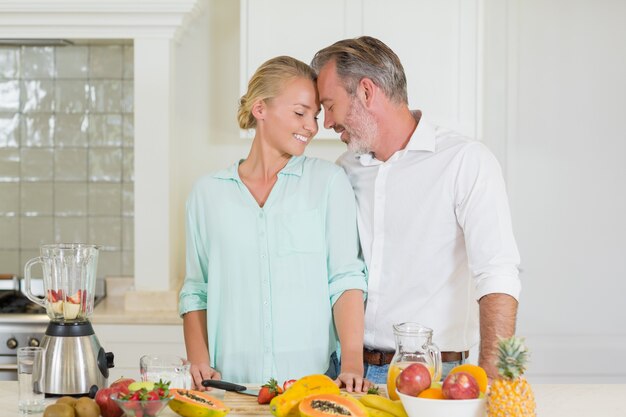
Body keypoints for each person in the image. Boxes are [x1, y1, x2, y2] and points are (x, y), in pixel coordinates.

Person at [311, 37, 521, 382]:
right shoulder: (345, 170)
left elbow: (497, 273)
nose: (327, 122)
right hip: (350, 374)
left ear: (366, 92)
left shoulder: (465, 161)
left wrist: (495, 379)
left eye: (330, 105)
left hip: (436, 376)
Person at [179, 56, 370, 392]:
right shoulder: (207, 194)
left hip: (313, 384)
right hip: (229, 387)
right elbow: (196, 290)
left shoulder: (327, 183)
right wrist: (199, 362)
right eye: (300, 113)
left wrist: (353, 362)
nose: (311, 126)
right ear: (260, 109)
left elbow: (345, 278)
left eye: (314, 115)